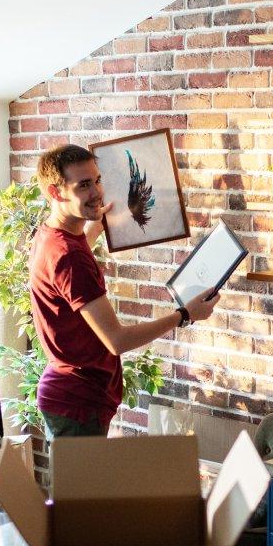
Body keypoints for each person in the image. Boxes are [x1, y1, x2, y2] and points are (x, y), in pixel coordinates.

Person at [30, 144, 219, 439]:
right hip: (77, 401)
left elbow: (69, 271)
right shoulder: (69, 256)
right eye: (83, 185)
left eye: (97, 180)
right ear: (56, 192)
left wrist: (100, 225)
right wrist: (184, 315)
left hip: (71, 394)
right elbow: (116, 341)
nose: (97, 192)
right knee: (86, 487)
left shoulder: (54, 235)